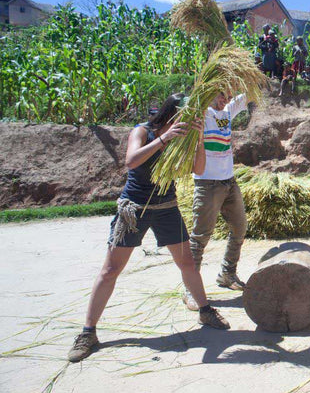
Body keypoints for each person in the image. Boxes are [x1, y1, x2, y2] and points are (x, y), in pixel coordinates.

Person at [68, 94, 230, 362]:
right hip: (134, 209)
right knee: (110, 270)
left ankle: (205, 310)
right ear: (172, 114)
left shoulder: (183, 138)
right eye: (187, 116)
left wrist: (199, 139)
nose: (190, 120)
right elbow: (131, 160)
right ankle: (88, 332)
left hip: (166, 207)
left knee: (187, 263)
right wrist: (163, 139)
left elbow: (198, 168)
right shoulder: (143, 131)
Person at [184, 89, 252, 310]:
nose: (225, 100)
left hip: (229, 182)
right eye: (221, 96)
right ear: (211, 94)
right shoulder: (202, 112)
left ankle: (227, 274)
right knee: (200, 237)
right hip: (207, 183)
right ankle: (190, 290)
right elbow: (188, 103)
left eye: (228, 97)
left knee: (240, 228)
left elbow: (250, 92)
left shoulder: (228, 111)